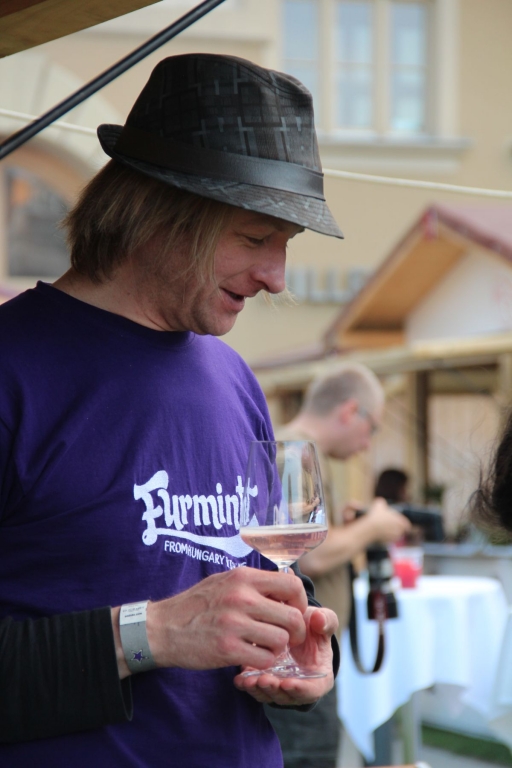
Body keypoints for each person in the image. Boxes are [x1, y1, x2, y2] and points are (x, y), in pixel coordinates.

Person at [0, 53, 343, 766]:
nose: (276, 278)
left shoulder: (233, 376)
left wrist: (297, 645)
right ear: (155, 212)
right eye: (255, 237)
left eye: (286, 245)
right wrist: (151, 633)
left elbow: (244, 576)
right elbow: (178, 613)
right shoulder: (13, 370)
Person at [265, 362, 411, 768]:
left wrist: (350, 527)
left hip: (299, 649)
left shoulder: (297, 449)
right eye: (373, 428)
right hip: (295, 654)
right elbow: (307, 554)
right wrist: (373, 527)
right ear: (349, 411)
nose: (367, 444)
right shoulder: (295, 452)